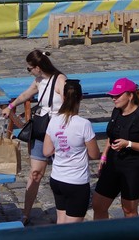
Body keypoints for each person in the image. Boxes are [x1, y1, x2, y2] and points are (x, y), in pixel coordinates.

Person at [0, 49, 65, 225]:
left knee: (61, 175)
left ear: (38, 67)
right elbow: (25, 95)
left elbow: (71, 104)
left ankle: (64, 212)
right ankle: (26, 213)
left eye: (29, 69)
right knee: (35, 173)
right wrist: (10, 107)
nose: (29, 71)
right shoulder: (39, 80)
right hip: (41, 130)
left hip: (58, 133)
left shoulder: (61, 81)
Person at [92, 77, 139, 219]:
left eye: (117, 95)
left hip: (133, 169)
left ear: (130, 95)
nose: (113, 98)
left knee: (129, 210)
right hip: (112, 165)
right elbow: (112, 136)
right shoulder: (117, 111)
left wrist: (128, 144)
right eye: (113, 95)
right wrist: (104, 156)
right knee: (98, 204)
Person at [42, 79, 99, 224]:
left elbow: (47, 151)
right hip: (76, 181)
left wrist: (61, 147)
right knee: (73, 230)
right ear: (81, 97)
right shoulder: (84, 124)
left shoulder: (53, 121)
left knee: (61, 223)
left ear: (63, 97)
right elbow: (94, 154)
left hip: (57, 178)